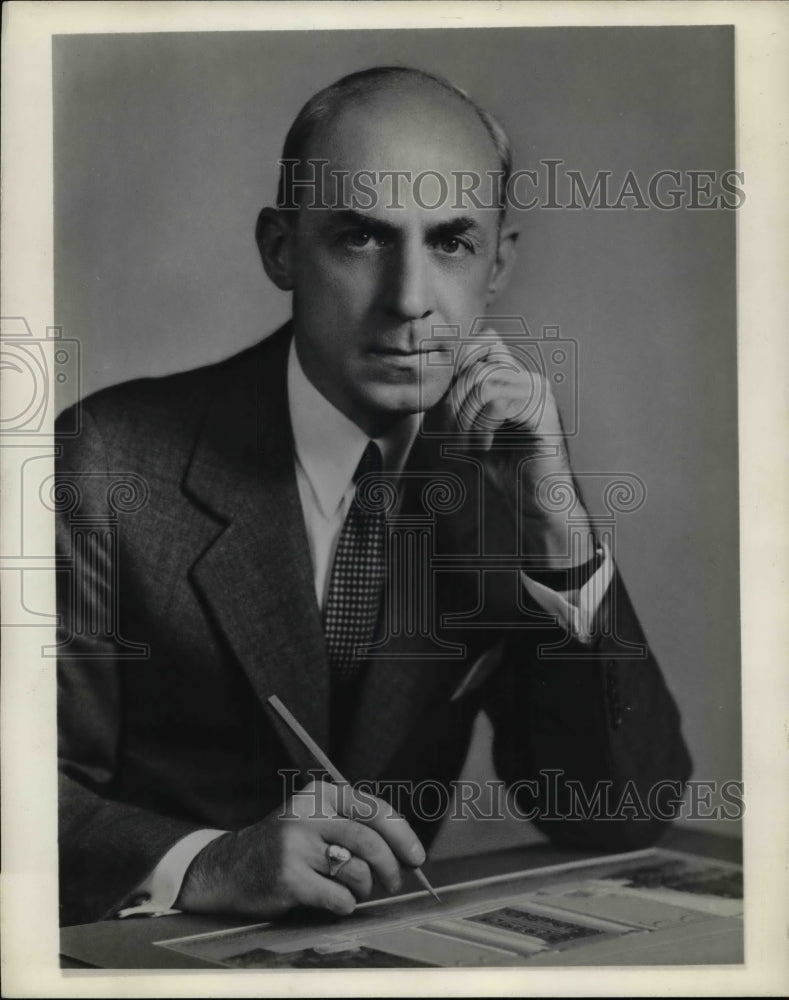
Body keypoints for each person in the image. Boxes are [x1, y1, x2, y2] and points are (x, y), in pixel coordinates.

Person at [56, 66, 691, 927]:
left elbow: (614, 812)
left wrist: (561, 540)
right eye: (359, 239)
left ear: (497, 263)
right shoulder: (105, 463)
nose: (409, 302)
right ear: (280, 249)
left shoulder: (501, 465)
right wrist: (206, 860)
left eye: (451, 243)